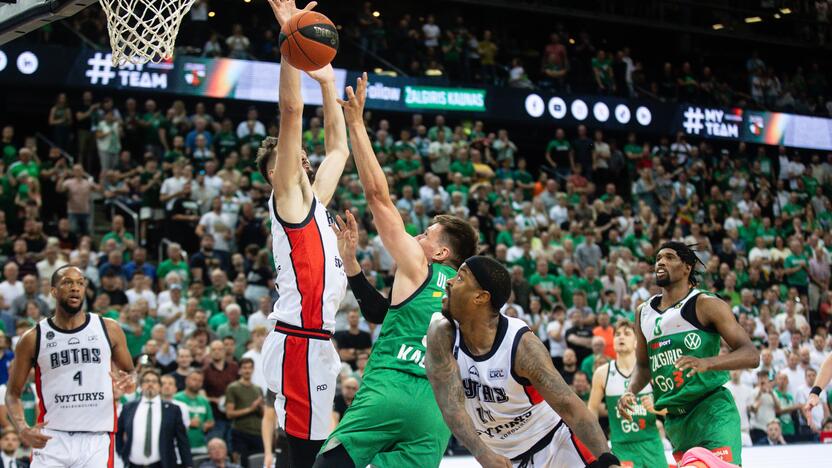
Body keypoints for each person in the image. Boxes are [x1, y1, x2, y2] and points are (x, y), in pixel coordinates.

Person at [315, 74, 477, 468]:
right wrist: (352, 265)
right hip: (438, 413)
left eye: (425, 233)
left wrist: (356, 123)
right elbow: (384, 313)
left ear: (440, 251)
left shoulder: (419, 264)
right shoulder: (471, 294)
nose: (416, 237)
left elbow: (378, 198)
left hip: (390, 388)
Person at [257, 1, 351, 466]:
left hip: (311, 339)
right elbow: (291, 111)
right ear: (274, 174)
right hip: (300, 339)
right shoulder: (288, 200)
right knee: (310, 454)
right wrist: (288, 42)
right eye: (291, 158)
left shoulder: (313, 203)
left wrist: (329, 80)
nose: (303, 158)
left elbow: (338, 150)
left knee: (310, 450)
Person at [425, 256, 619, 468]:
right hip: (504, 459)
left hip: (556, 445)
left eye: (460, 278)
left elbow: (568, 405)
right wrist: (482, 454)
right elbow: (451, 406)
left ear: (480, 297)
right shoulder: (442, 334)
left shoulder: (521, 345)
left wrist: (608, 460)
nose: (449, 281)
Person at [617, 242, 760, 465]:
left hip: (711, 411)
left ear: (687, 268)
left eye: (670, 257)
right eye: (658, 258)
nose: (661, 262)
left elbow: (752, 355)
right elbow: (644, 367)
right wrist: (630, 391)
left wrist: (707, 363)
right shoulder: (643, 312)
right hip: (676, 421)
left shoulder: (705, 304)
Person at [5, 265, 137, 468]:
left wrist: (130, 382)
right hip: (51, 438)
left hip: (96, 438)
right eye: (67, 282)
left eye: (80, 283)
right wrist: (22, 428)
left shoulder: (108, 328)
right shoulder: (33, 338)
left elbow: (130, 372)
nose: (75, 287)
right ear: (53, 291)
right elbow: (13, 393)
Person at [588, 320, 667, 467]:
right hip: (621, 446)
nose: (621, 337)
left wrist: (656, 407)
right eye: (617, 334)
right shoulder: (602, 373)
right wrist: (598, 442)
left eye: (627, 334)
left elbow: (670, 409)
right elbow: (592, 410)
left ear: (637, 342)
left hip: (652, 444)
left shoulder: (651, 370)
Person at [116, 368, 192, 468]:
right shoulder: (128, 408)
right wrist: (122, 452)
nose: (150, 384)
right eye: (146, 381)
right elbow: (118, 433)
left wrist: (188, 465)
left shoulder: (173, 410)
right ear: (141, 386)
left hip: (162, 464)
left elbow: (182, 440)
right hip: (133, 464)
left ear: (160, 386)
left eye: (154, 381)